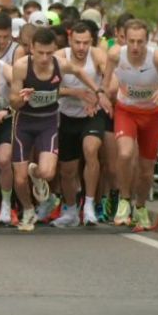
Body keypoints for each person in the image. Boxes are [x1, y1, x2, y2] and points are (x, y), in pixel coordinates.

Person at [103, 20, 158, 231]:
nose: (135, 47)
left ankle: (141, 207)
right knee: (125, 154)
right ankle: (125, 201)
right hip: (126, 111)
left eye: (140, 42)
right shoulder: (116, 54)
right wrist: (104, 95)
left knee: (146, 171)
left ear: (147, 41)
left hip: (151, 115)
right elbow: (105, 82)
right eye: (132, 41)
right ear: (124, 38)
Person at [10, 27, 99, 231]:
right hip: (25, 121)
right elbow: (13, 102)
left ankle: (43, 188)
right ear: (31, 48)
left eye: (49, 53)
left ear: (55, 50)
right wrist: (21, 98)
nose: (44, 58)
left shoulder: (59, 64)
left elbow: (79, 71)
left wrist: (97, 90)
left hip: (48, 122)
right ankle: (28, 209)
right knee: (20, 178)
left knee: (48, 173)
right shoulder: (21, 67)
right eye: (40, 53)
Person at [55, 21, 112, 227]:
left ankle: (89, 205)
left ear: (91, 42)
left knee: (91, 149)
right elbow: (50, 89)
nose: (81, 48)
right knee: (67, 169)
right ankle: (70, 209)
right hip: (66, 116)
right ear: (70, 40)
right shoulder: (59, 57)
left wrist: (100, 95)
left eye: (86, 43)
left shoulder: (97, 55)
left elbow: (109, 80)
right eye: (77, 43)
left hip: (91, 114)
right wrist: (77, 93)